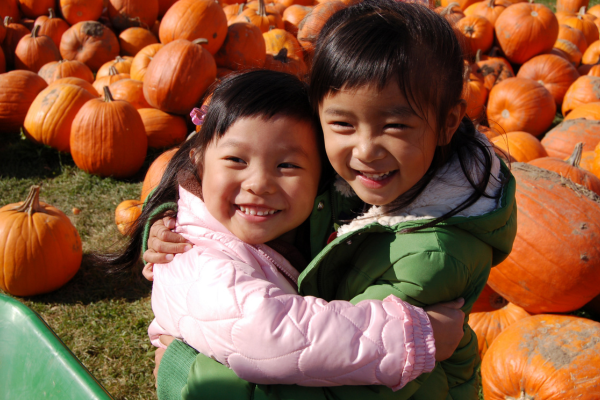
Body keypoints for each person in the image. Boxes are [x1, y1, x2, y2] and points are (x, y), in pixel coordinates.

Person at [144, 1, 517, 399]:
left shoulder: (433, 256)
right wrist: (179, 217)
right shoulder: (343, 176)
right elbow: (237, 145)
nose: (366, 149)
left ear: (447, 122)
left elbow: (336, 387)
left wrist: (182, 374)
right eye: (342, 123)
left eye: (395, 125)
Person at [108, 69, 465, 399]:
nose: (260, 184)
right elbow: (269, 333)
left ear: (321, 175)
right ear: (198, 160)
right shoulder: (196, 257)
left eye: (287, 165)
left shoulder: (304, 218)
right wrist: (411, 337)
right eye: (236, 160)